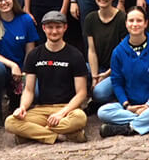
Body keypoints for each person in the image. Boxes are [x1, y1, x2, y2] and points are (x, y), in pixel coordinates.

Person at [5, 11, 89, 144]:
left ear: (65, 28)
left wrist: (62, 113)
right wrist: (22, 108)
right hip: (41, 109)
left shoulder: (75, 55)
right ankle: (62, 135)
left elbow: (81, 93)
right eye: (50, 27)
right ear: (43, 28)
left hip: (67, 109)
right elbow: (29, 90)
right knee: (10, 122)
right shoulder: (34, 55)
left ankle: (33, 134)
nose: (54, 31)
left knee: (80, 118)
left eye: (58, 27)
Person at [96, 6, 149, 137]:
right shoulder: (118, 52)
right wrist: (127, 106)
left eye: (139, 21)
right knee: (103, 112)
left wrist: (148, 104)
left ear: (146, 23)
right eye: (131, 21)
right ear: (126, 24)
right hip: (131, 106)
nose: (135, 24)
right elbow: (117, 82)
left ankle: (127, 128)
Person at [0, 0, 40, 124]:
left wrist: (25, 71)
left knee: (36, 93)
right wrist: (12, 65)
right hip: (3, 68)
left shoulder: (26, 20)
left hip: (23, 69)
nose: (4, 2)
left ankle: (16, 103)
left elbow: (30, 51)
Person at [84, 0, 126, 104]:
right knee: (71, 72)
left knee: (99, 93)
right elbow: (91, 50)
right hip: (97, 67)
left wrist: (106, 75)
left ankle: (114, 97)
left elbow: (123, 55)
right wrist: (95, 76)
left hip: (117, 69)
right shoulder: (90, 18)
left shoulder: (122, 18)